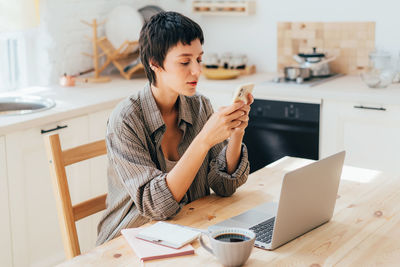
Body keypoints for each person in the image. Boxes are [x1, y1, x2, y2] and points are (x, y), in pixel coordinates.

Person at [96, 11, 253, 245]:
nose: (197, 70)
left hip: (187, 230)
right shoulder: (126, 119)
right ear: (155, 63)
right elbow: (156, 206)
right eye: (184, 62)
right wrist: (204, 141)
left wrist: (236, 132)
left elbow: (224, 185)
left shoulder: (199, 105)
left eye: (199, 59)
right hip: (129, 240)